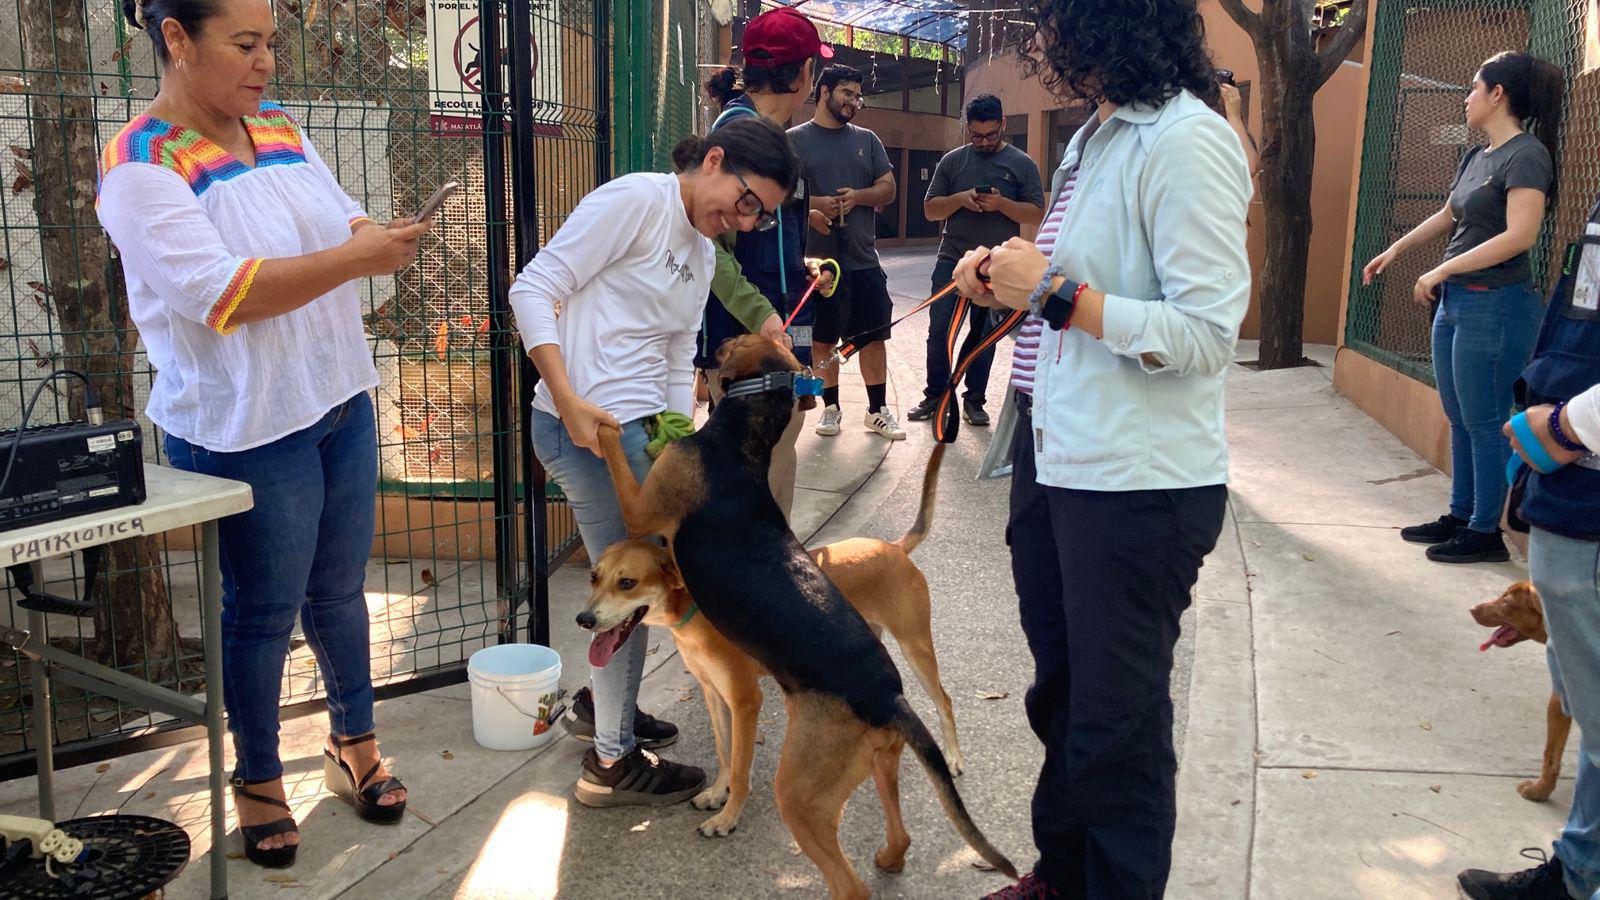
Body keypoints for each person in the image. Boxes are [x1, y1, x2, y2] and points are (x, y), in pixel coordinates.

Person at [96, 0, 430, 869]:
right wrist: (361, 259)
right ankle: (257, 779)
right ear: (175, 38)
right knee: (262, 614)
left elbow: (341, 211)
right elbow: (223, 294)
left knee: (338, 592)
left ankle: (353, 743)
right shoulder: (140, 164)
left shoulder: (274, 126)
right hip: (245, 423)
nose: (267, 63)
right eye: (244, 44)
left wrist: (370, 235)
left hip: (334, 399)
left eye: (271, 43)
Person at [950, 0, 1251, 894]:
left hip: (1136, 484)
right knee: (1064, 696)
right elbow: (1076, 280)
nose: (1046, 46)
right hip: (1055, 455)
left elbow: (1204, 333)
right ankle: (1064, 873)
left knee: (1116, 725)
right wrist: (1009, 275)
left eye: (1056, 25)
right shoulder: (1100, 134)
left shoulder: (1186, 141)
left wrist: (1046, 291)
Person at [511, 117, 797, 809]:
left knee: (658, 581)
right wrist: (568, 397)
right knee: (634, 592)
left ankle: (606, 709)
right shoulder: (635, 201)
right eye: (748, 199)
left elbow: (676, 354)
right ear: (715, 160)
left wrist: (680, 436)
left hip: (645, 437)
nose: (745, 219)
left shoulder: (701, 252)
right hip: (585, 432)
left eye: (760, 217)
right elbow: (532, 287)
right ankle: (610, 761)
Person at [1364, 51, 1562, 565]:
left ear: (1499, 94)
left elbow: (1521, 236)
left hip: (1495, 305)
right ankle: (1460, 515)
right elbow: (1449, 213)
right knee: (1460, 418)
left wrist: (1443, 269)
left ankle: (1484, 532)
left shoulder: (1527, 155)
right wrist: (1396, 251)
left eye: (1475, 86)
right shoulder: (1478, 157)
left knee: (1485, 420)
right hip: (1457, 304)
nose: (1466, 96)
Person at [1455, 197, 1600, 900]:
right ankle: (1578, 875)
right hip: (1569, 493)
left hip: (1587, 483)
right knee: (1584, 704)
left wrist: (1569, 422)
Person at [694, 6, 834, 519]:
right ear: (802, 74)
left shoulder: (766, 136)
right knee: (756, 458)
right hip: (745, 334)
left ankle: (770, 572)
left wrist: (801, 267)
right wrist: (761, 312)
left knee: (780, 442)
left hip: (779, 322)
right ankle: (761, 579)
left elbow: (762, 237)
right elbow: (710, 250)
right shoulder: (739, 136)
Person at [908, 94, 1044, 428]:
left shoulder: (1021, 164)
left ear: (1003, 125)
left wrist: (1002, 205)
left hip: (996, 265)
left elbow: (1036, 212)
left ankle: (974, 400)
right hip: (952, 259)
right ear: (967, 128)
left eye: (991, 135)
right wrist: (959, 200)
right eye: (976, 135)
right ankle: (935, 394)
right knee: (939, 331)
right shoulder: (952, 162)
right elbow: (930, 210)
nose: (983, 142)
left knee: (983, 335)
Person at [790, 64, 905, 440]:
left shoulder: (867, 139)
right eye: (847, 93)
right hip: (815, 266)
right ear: (824, 92)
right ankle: (831, 409)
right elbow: (779, 197)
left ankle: (876, 410)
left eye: (858, 95)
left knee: (874, 336)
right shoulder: (793, 140)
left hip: (862, 258)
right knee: (821, 339)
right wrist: (813, 208)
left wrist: (859, 197)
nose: (854, 102)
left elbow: (887, 188)